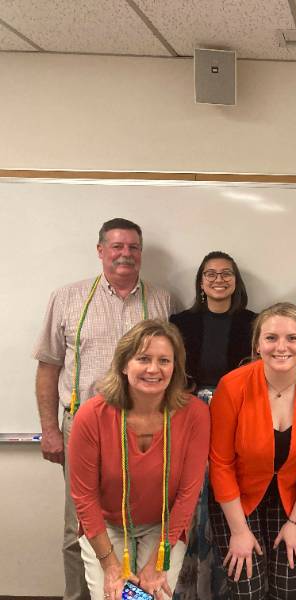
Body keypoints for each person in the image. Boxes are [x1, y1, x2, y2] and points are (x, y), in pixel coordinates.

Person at [33, 218, 172, 600]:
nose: (125, 254)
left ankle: (128, 595)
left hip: (144, 426)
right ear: (100, 251)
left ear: (141, 253)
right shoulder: (68, 297)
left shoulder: (161, 299)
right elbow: (48, 368)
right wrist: (50, 429)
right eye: (117, 246)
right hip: (82, 425)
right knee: (79, 525)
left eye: (133, 247)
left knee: (139, 522)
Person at [68, 319, 210, 600]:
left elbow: (187, 494)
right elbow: (84, 497)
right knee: (112, 597)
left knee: (156, 595)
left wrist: (158, 564)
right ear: (124, 364)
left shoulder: (194, 414)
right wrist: (110, 566)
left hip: (164, 525)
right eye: (143, 358)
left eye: (164, 360)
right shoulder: (91, 415)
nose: (154, 369)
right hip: (106, 526)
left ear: (175, 368)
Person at [209, 302, 296, 600]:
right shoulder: (232, 386)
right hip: (237, 499)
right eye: (271, 338)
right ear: (257, 344)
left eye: (292, 338)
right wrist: (239, 531)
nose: (282, 347)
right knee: (247, 590)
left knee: (289, 591)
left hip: (294, 499)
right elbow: (220, 463)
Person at [170, 251, 257, 600]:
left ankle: (226, 590)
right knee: (190, 502)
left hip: (236, 422)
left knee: (226, 501)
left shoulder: (253, 322)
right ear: (201, 282)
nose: (219, 279)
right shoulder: (180, 321)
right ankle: (185, 591)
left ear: (236, 281)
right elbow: (171, 373)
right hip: (188, 420)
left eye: (226, 273)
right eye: (211, 274)